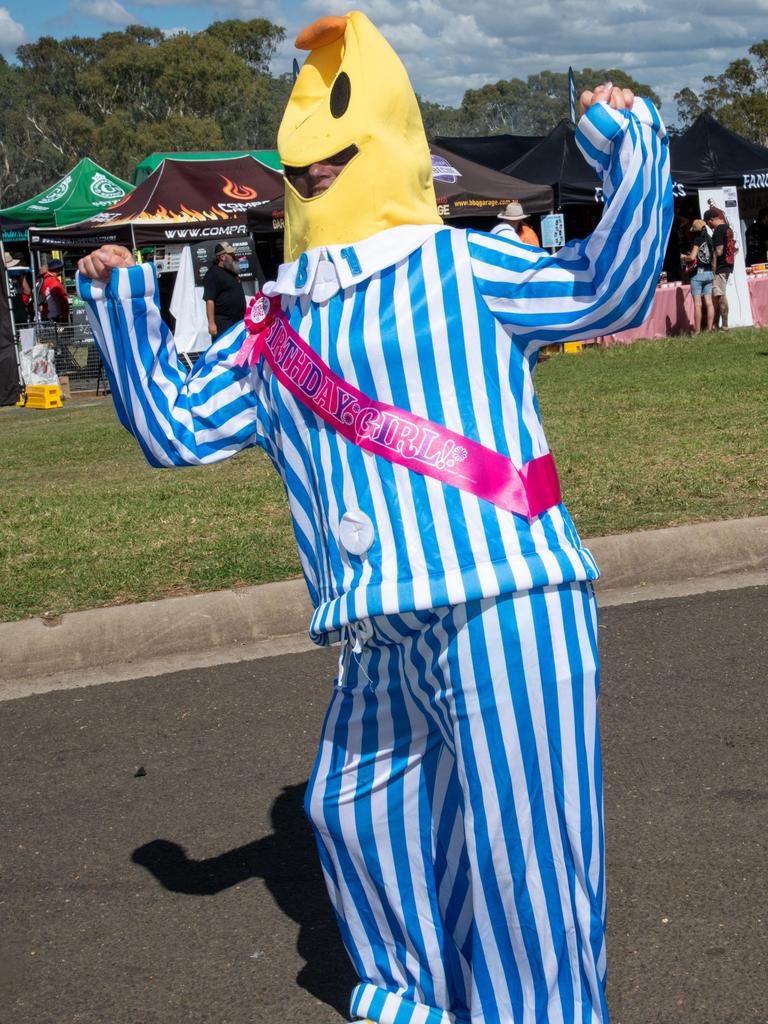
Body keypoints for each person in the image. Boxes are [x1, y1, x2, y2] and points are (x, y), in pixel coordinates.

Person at [76, 13, 672, 1023]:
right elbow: (178, 428)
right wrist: (125, 309)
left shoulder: (463, 267)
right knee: (360, 817)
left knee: (528, 850)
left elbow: (605, 288)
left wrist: (633, 150)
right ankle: (414, 1001)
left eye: (337, 116)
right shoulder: (272, 329)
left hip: (505, 598)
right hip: (372, 633)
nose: (310, 152)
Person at [202, 241, 246, 338]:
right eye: (231, 255)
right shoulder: (212, 274)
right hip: (223, 324)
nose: (234, 257)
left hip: (238, 322)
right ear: (222, 257)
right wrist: (211, 323)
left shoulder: (231, 271)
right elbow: (209, 300)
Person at [704, 207, 734, 329]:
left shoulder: (718, 231)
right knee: (719, 296)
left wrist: (713, 269)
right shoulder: (727, 228)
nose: (708, 225)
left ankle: (725, 326)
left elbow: (719, 251)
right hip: (727, 266)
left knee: (721, 296)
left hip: (720, 268)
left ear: (711, 220)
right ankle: (717, 325)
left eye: (707, 222)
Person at [683, 218, 714, 333]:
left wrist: (683, 257)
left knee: (697, 304)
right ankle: (710, 329)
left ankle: (697, 331)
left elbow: (692, 257)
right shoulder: (710, 240)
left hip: (698, 274)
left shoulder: (697, 240)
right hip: (709, 272)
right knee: (709, 302)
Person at [3, 252, 32, 326]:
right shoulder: (18, 273)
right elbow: (28, 291)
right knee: (24, 335)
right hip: (19, 311)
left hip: (5, 313)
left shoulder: (2, 276)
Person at [39, 259, 70, 323]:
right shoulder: (52, 280)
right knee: (59, 332)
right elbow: (56, 299)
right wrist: (60, 314)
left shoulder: (47, 279)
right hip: (55, 316)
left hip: (51, 315)